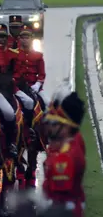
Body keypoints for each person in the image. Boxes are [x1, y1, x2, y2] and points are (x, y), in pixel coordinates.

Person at [42, 86, 86, 217]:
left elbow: (58, 202)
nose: (49, 126)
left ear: (66, 126)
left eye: (54, 123)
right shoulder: (75, 140)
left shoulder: (63, 159)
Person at [0, 23, 34, 113]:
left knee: (29, 101)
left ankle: (28, 125)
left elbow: (19, 71)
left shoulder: (14, 54)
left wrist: (13, 79)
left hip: (11, 86)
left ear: (7, 38)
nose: (1, 40)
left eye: (4, 37)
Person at [16, 24, 49, 107]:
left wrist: (37, 85)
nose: (25, 40)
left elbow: (42, 74)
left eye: (27, 37)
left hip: (33, 86)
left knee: (48, 103)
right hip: (19, 86)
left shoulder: (38, 55)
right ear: (19, 39)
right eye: (23, 38)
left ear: (31, 38)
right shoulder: (14, 54)